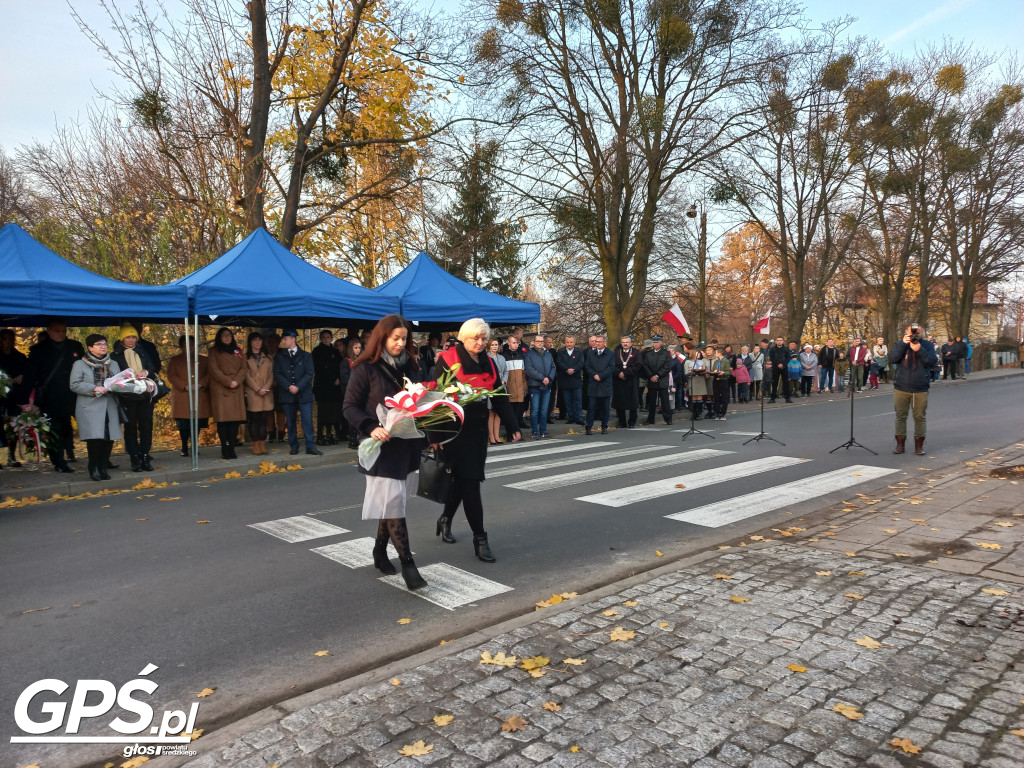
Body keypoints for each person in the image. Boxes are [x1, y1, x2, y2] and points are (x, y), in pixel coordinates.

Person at [343, 314, 427, 589]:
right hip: (381, 446)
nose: (400, 343)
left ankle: (380, 551)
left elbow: (419, 400)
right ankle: (408, 564)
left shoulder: (413, 365)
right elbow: (350, 407)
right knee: (393, 504)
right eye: (395, 338)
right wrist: (370, 427)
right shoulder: (365, 368)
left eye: (404, 339)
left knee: (393, 503)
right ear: (382, 337)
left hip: (406, 443)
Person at [433, 319, 521, 561]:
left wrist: (512, 425)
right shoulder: (448, 361)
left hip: (477, 433)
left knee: (464, 482)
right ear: (464, 338)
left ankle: (446, 518)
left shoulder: (490, 363)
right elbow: (435, 398)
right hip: (454, 432)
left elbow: (500, 396)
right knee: (468, 483)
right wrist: (436, 436)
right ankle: (480, 538)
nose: (480, 343)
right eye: (476, 338)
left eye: (484, 339)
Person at [28, 319, 86, 472]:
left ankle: (97, 457)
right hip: (50, 397)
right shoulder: (38, 350)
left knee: (78, 426)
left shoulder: (74, 346)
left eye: (63, 330)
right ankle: (59, 462)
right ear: (48, 330)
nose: (61, 334)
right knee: (55, 429)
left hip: (74, 395)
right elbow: (31, 376)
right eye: (57, 331)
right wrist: (27, 399)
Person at [69, 334, 122, 481]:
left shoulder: (113, 364)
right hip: (90, 407)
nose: (103, 346)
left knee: (108, 438)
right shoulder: (80, 364)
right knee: (95, 440)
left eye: (105, 343)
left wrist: (116, 386)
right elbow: (74, 385)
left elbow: (119, 382)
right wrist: (95, 388)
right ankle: (94, 468)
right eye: (99, 344)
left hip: (110, 405)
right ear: (90, 347)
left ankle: (103, 467)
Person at [111, 322, 159, 472]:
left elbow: (152, 367)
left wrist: (145, 372)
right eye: (128, 337)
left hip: (145, 395)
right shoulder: (115, 355)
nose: (131, 340)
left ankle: (145, 456)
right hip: (128, 396)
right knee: (130, 428)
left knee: (146, 427)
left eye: (134, 337)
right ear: (122, 339)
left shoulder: (143, 351)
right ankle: (134, 459)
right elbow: (114, 376)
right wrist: (128, 377)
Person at [890, 323, 938, 455]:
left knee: (919, 417)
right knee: (900, 416)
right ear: (906, 333)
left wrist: (919, 349)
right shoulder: (900, 344)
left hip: (920, 387)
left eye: (917, 333)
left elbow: (932, 362)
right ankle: (900, 445)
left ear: (921, 333)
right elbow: (893, 359)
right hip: (901, 386)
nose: (915, 336)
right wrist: (902, 345)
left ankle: (919, 446)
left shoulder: (927, 345)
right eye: (912, 333)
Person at [273, 330, 322, 456]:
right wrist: (288, 386)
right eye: (283, 339)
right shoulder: (279, 356)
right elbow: (277, 374)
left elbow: (309, 373)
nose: (283, 341)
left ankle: (310, 445)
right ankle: (293, 445)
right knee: (290, 421)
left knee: (307, 420)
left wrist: (298, 386)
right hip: (287, 393)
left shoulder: (306, 355)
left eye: (285, 339)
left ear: (293, 339)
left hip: (304, 393)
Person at [166, 336, 210, 457]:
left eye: (191, 344)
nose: (189, 347)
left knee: (197, 423)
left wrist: (201, 384)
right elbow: (171, 375)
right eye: (186, 345)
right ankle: (184, 445)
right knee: (183, 424)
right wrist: (184, 386)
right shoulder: (175, 360)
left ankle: (194, 445)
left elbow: (209, 374)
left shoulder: (204, 360)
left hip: (199, 394)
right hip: (182, 395)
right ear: (181, 347)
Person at [208, 327, 247, 459]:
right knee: (223, 421)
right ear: (219, 337)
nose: (227, 337)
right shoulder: (213, 352)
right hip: (221, 388)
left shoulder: (238, 351)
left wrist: (236, 381)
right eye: (224, 335)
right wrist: (228, 382)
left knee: (234, 421)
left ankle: (232, 447)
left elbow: (244, 368)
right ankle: (225, 447)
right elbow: (214, 370)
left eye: (229, 335)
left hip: (236, 387)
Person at [0, 328, 30, 467]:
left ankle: (11, 456)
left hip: (14, 397)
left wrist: (22, 376)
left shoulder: (19, 357)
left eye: (10, 339)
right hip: (0, 397)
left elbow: (28, 372)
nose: (8, 342)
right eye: (4, 339)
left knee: (14, 426)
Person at [244, 332, 274, 456]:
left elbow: (271, 375)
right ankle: (255, 444)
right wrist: (257, 389)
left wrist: (265, 388)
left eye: (260, 340)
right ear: (250, 342)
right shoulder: (245, 357)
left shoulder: (268, 357)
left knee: (263, 419)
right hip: (252, 392)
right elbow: (246, 375)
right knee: (254, 419)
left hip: (266, 392)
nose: (257, 342)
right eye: (255, 340)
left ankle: (262, 443)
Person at [312, 330, 343, 445]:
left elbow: (340, 367)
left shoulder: (335, 352)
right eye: (324, 337)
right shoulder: (316, 351)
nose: (326, 339)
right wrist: (330, 378)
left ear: (331, 338)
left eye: (328, 337)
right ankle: (320, 434)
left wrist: (338, 378)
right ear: (320, 338)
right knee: (322, 411)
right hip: (322, 385)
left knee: (333, 411)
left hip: (334, 387)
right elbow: (317, 368)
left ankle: (330, 434)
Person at [524, 334, 556, 439]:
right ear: (534, 342)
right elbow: (529, 370)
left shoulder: (548, 354)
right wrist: (542, 378)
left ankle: (543, 431)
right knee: (534, 410)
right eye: (538, 341)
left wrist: (549, 378)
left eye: (542, 341)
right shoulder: (529, 354)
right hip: (535, 386)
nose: (540, 343)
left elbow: (553, 367)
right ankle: (535, 432)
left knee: (544, 410)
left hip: (547, 386)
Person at [583, 334, 613, 434]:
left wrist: (601, 376)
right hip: (593, 384)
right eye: (596, 341)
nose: (597, 343)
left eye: (600, 341)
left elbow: (611, 367)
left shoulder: (610, 354)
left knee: (605, 408)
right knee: (591, 407)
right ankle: (589, 427)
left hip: (605, 384)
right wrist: (594, 375)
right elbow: (587, 366)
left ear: (605, 343)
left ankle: (604, 426)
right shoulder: (591, 353)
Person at [641, 334, 673, 425]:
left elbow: (667, 367)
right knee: (651, 401)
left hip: (662, 380)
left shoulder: (666, 353)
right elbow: (645, 366)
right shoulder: (648, 354)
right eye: (654, 342)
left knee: (665, 401)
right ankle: (650, 419)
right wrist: (651, 376)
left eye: (657, 342)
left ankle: (668, 418)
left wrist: (658, 375)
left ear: (661, 342)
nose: (655, 344)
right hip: (652, 380)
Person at [612, 335, 642, 428]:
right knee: (620, 402)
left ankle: (632, 421)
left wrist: (626, 373)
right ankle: (622, 422)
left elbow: (638, 366)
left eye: (627, 342)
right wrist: (619, 373)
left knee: (632, 402)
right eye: (623, 342)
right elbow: (612, 365)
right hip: (619, 380)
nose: (625, 344)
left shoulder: (636, 353)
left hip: (631, 380)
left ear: (631, 343)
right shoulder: (617, 353)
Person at [500, 335, 528, 432]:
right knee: (510, 413)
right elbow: (504, 374)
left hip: (519, 389)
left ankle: (516, 431)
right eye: (514, 343)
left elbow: (523, 374)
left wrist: (525, 387)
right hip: (509, 389)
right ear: (508, 343)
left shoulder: (520, 356)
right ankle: (511, 432)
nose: (516, 345)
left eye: (517, 343)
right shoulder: (504, 356)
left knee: (518, 411)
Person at [555, 335, 584, 425]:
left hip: (576, 379)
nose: (569, 344)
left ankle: (578, 417)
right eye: (567, 342)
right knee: (567, 400)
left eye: (571, 342)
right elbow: (559, 362)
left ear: (574, 343)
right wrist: (567, 369)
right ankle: (571, 417)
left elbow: (581, 363)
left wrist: (573, 370)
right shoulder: (560, 351)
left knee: (577, 400)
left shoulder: (579, 352)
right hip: (564, 379)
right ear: (565, 343)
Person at [264, 332, 287, 442]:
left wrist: (278, 381)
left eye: (274, 343)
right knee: (268, 411)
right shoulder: (263, 354)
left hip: (280, 386)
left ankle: (281, 433)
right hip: (266, 386)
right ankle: (270, 433)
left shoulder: (283, 353)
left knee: (280, 411)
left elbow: (286, 370)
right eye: (269, 343)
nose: (272, 345)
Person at [487, 338, 509, 445]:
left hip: (501, 386)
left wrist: (504, 380)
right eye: (493, 345)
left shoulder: (502, 358)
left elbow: (506, 371)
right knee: (491, 412)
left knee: (499, 412)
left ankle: (497, 435)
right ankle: (491, 436)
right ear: (489, 346)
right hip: (491, 388)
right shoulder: (487, 357)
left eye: (496, 345)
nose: (495, 347)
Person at [342, 338, 362, 448]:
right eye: (355, 348)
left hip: (362, 393)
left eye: (359, 348)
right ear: (351, 348)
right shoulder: (346, 361)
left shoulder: (363, 360)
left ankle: (360, 437)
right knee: (352, 416)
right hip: (351, 393)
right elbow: (344, 378)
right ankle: (352, 439)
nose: (358, 350)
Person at [684, 348, 709, 419]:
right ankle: (694, 413)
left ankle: (699, 412)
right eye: (697, 353)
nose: (699, 354)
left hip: (700, 380)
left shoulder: (701, 362)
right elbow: (685, 373)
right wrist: (691, 372)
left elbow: (704, 370)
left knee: (699, 397)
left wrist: (704, 372)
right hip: (693, 380)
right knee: (694, 397)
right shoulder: (688, 362)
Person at [766, 336, 791, 404]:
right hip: (775, 368)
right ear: (776, 341)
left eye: (780, 340)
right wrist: (777, 364)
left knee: (786, 383)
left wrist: (783, 364)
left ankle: (787, 398)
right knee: (774, 383)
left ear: (783, 341)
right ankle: (772, 398)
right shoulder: (772, 349)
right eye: (778, 340)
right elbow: (772, 358)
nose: (779, 341)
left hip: (784, 368)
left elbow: (788, 358)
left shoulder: (786, 349)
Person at [709, 346, 732, 420]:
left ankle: (722, 413)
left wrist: (724, 373)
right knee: (716, 397)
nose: (715, 354)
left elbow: (728, 372)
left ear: (720, 353)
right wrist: (712, 373)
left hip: (723, 380)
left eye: (716, 353)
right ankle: (717, 412)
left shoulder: (726, 361)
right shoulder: (716, 362)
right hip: (716, 380)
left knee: (724, 397)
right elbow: (714, 370)